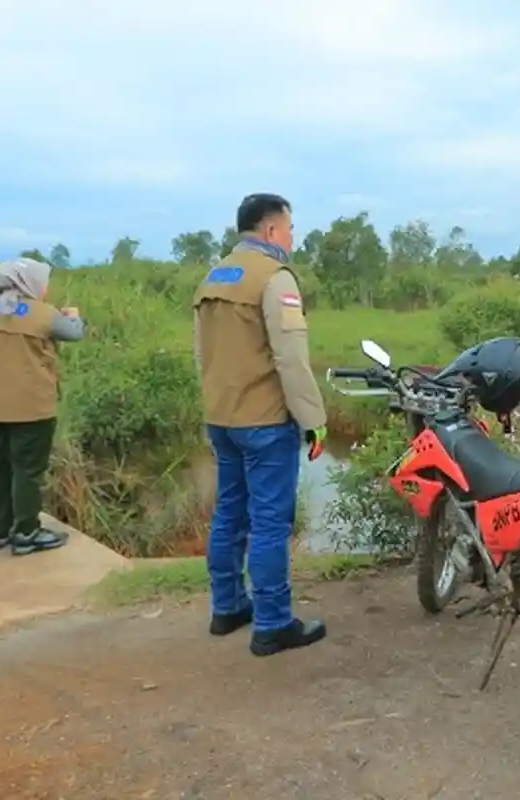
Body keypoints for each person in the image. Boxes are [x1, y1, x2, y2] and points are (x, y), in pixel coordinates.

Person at [193, 193, 329, 657]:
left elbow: (201, 354)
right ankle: (272, 623)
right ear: (270, 230)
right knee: (270, 523)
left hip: (221, 418)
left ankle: (228, 607)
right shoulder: (274, 277)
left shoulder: (213, 278)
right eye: (289, 228)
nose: (292, 237)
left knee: (229, 513)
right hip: (265, 421)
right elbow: (290, 358)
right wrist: (314, 420)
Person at [0, 257, 83, 555]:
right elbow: (74, 333)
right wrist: (74, 316)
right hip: (31, 407)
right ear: (30, 283)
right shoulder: (43, 313)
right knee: (27, 470)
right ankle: (26, 532)